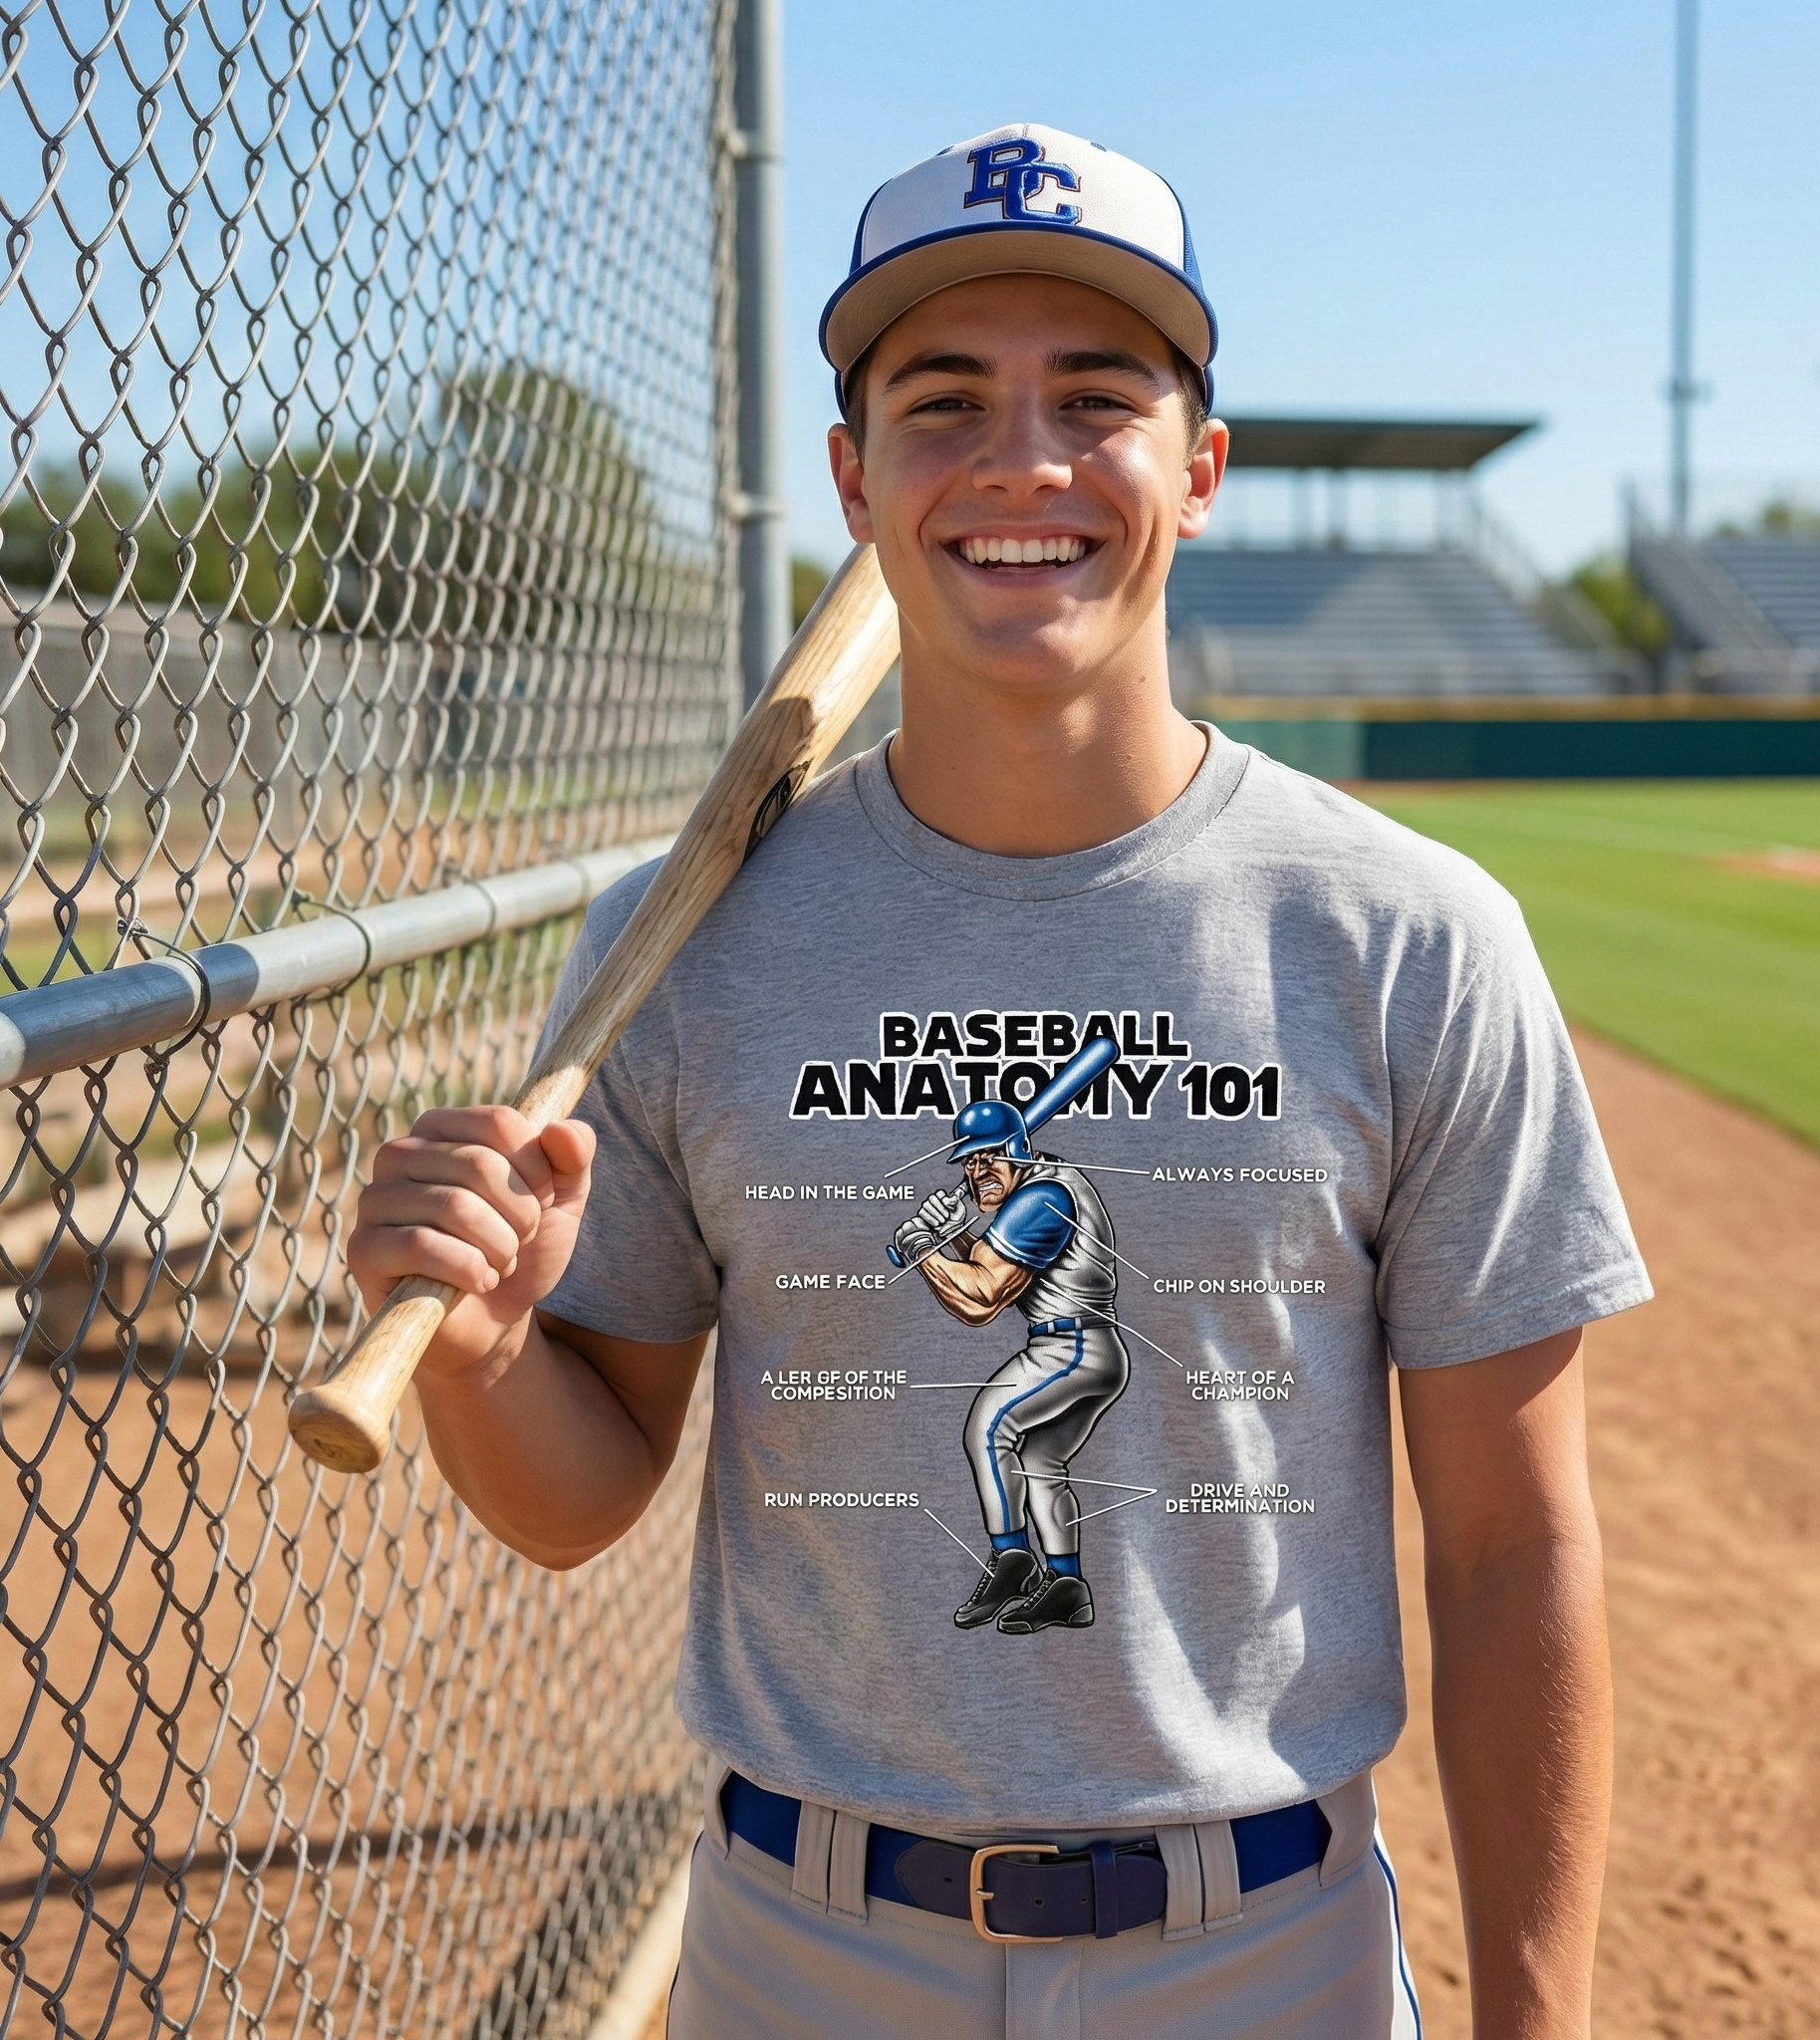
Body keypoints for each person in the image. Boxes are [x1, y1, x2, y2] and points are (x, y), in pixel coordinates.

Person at [348, 122, 1652, 2040]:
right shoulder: (684, 942)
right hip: (806, 1938)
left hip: (1257, 1948)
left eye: (1095, 399)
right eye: (944, 400)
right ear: (855, 480)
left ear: (1196, 473)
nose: (1021, 460)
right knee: (995, 1444)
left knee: (1004, 1427)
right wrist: (472, 1350)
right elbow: (577, 1496)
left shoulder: (1406, 938)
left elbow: (1513, 1538)